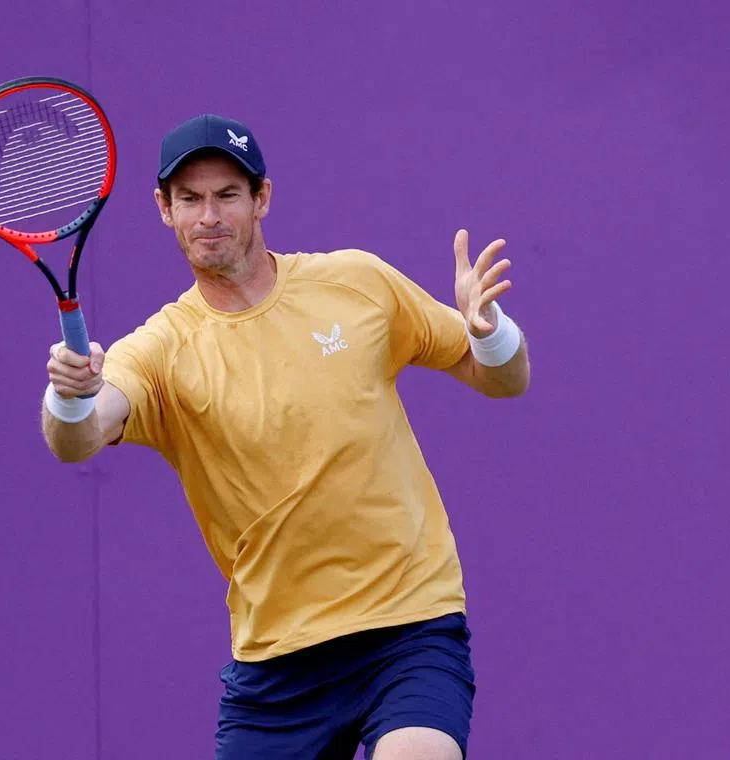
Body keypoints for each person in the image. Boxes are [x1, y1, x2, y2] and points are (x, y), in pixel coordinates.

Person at [41, 113, 530, 760]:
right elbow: (78, 438)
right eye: (190, 199)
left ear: (261, 198)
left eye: (227, 195)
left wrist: (490, 333)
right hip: (278, 665)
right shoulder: (159, 350)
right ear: (164, 209)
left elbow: (503, 380)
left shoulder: (356, 282)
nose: (209, 216)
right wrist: (70, 396)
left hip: (408, 625)